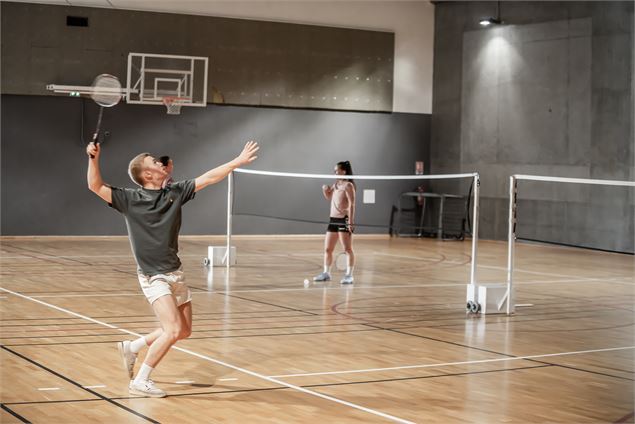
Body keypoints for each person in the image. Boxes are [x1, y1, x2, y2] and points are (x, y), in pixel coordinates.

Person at [85, 140, 259, 397]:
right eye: (154, 162)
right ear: (146, 174)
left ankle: (132, 347)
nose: (160, 162)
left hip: (175, 272)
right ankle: (140, 380)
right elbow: (95, 185)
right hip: (153, 276)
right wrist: (93, 158)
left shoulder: (174, 193)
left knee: (184, 330)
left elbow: (209, 178)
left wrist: (237, 161)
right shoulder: (129, 198)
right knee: (173, 330)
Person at [313, 161, 356, 285]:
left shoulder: (348, 186)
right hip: (333, 220)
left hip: (344, 220)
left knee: (347, 249)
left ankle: (349, 275)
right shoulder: (336, 184)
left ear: (344, 171)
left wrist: (351, 222)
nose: (335, 173)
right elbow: (328, 196)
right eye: (334, 171)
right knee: (328, 249)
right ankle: (326, 273)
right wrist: (325, 190)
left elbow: (352, 204)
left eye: (337, 170)